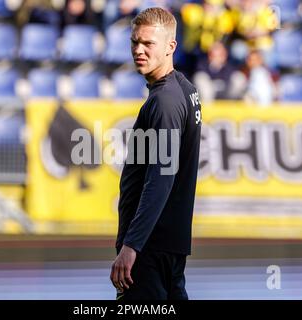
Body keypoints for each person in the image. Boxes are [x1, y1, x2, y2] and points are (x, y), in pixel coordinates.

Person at [110, 7, 202, 300]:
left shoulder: (165, 101)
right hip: (167, 244)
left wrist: (131, 246)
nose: (139, 50)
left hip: (149, 249)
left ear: (170, 46)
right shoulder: (184, 89)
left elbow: (161, 177)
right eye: (135, 42)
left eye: (149, 43)